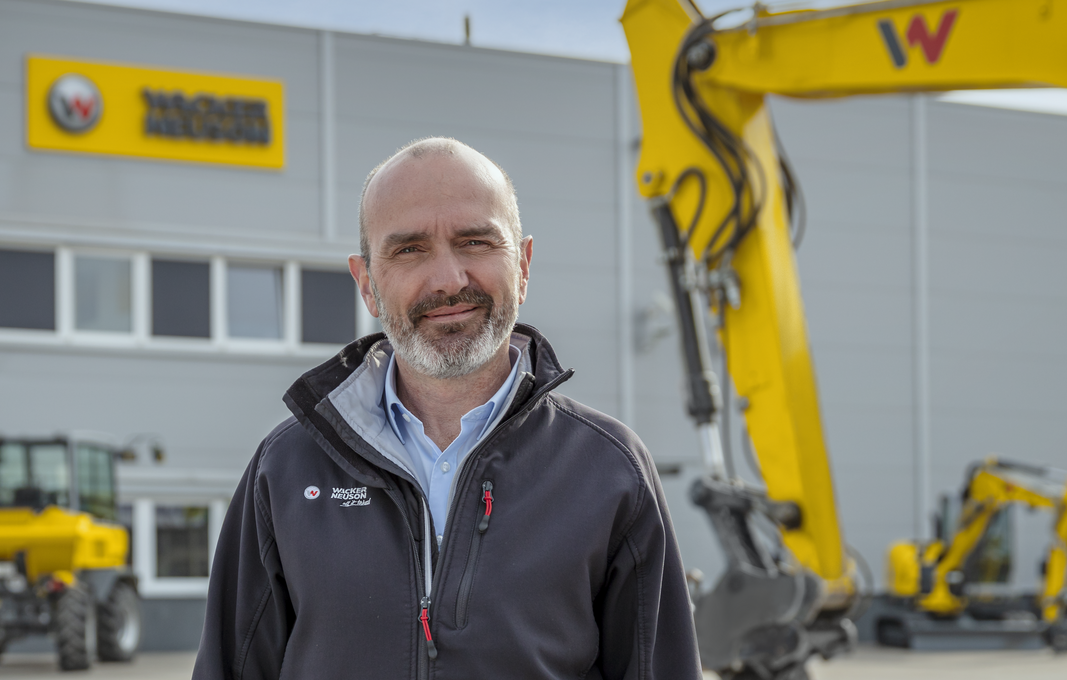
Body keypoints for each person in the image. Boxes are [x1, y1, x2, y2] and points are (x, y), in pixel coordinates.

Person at [194, 137, 699, 679]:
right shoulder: (286, 469)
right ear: (367, 283)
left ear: (524, 265)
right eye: (409, 249)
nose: (448, 280)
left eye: (476, 242)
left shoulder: (609, 470)